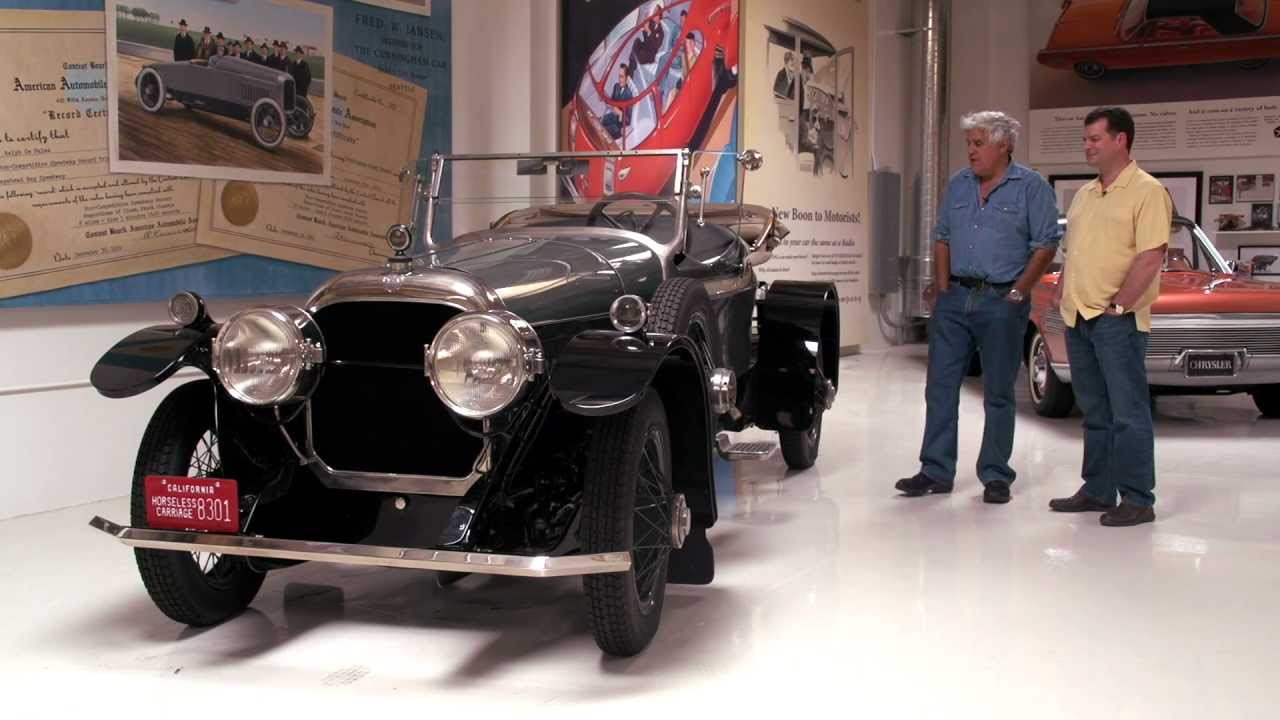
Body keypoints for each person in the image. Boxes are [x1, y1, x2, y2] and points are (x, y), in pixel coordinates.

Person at [895, 111, 1061, 504]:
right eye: (968, 143)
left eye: (978, 143)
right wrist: (941, 286)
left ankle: (995, 475)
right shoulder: (959, 184)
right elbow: (943, 236)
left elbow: (1046, 244)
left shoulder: (1031, 187)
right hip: (955, 299)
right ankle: (935, 470)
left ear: (1004, 146)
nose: (971, 151)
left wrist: (1020, 292)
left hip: (1001, 300)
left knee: (999, 392)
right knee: (939, 388)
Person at [1048, 106, 1170, 527]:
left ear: (1121, 140)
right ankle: (1098, 489)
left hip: (1117, 321)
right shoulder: (1085, 194)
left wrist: (1119, 305)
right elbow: (1076, 250)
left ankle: (1138, 498)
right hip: (1078, 318)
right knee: (1095, 411)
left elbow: (1151, 254)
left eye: (1095, 139)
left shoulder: (1147, 191)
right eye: (1085, 139)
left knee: (1128, 412)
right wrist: (1064, 285)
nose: (1087, 146)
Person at [601, 63, 634, 141]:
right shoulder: (616, 86)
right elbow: (612, 102)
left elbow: (628, 120)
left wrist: (620, 113)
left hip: (619, 127)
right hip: (613, 117)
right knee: (597, 122)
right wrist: (604, 97)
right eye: (619, 76)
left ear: (627, 78)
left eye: (622, 77)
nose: (619, 79)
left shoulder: (629, 95)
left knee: (602, 131)